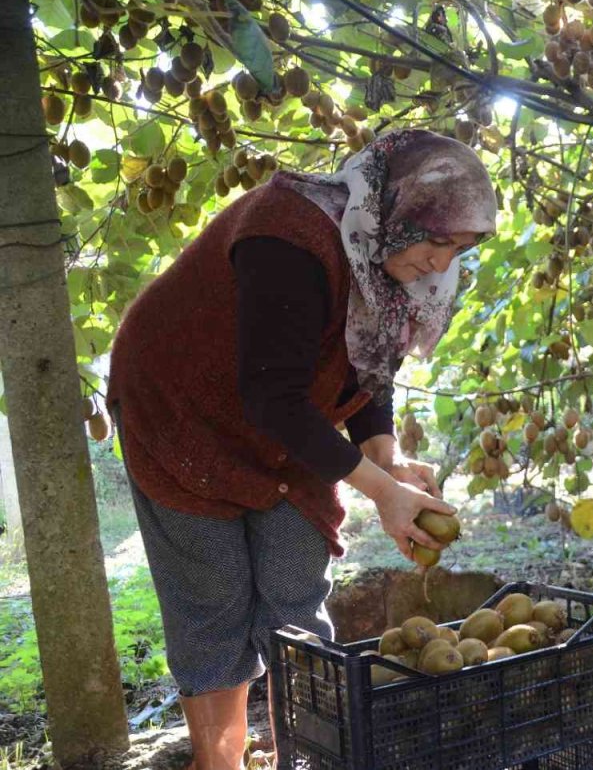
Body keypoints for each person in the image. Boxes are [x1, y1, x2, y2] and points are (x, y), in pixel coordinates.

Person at [107, 130, 497, 770]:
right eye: (436, 240)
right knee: (213, 603)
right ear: (397, 210)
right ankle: (221, 762)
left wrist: (386, 456)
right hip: (184, 414)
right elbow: (272, 400)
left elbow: (368, 366)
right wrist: (382, 491)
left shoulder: (390, 261)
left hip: (289, 426)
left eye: (457, 250)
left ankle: (311, 755)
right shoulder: (288, 236)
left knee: (296, 592)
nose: (441, 263)